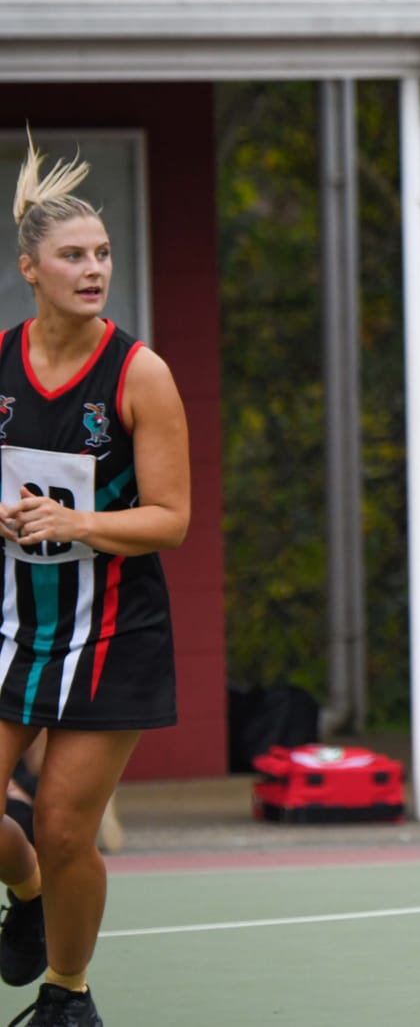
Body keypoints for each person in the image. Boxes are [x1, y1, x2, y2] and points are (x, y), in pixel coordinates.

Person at [0, 142, 191, 1027]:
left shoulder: (139, 373)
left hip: (111, 632)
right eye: (73, 255)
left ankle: (67, 995)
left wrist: (75, 523)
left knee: (66, 824)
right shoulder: (2, 363)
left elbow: (171, 518)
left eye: (103, 253)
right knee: (33, 842)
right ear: (29, 268)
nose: (93, 269)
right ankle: (28, 890)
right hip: (12, 626)